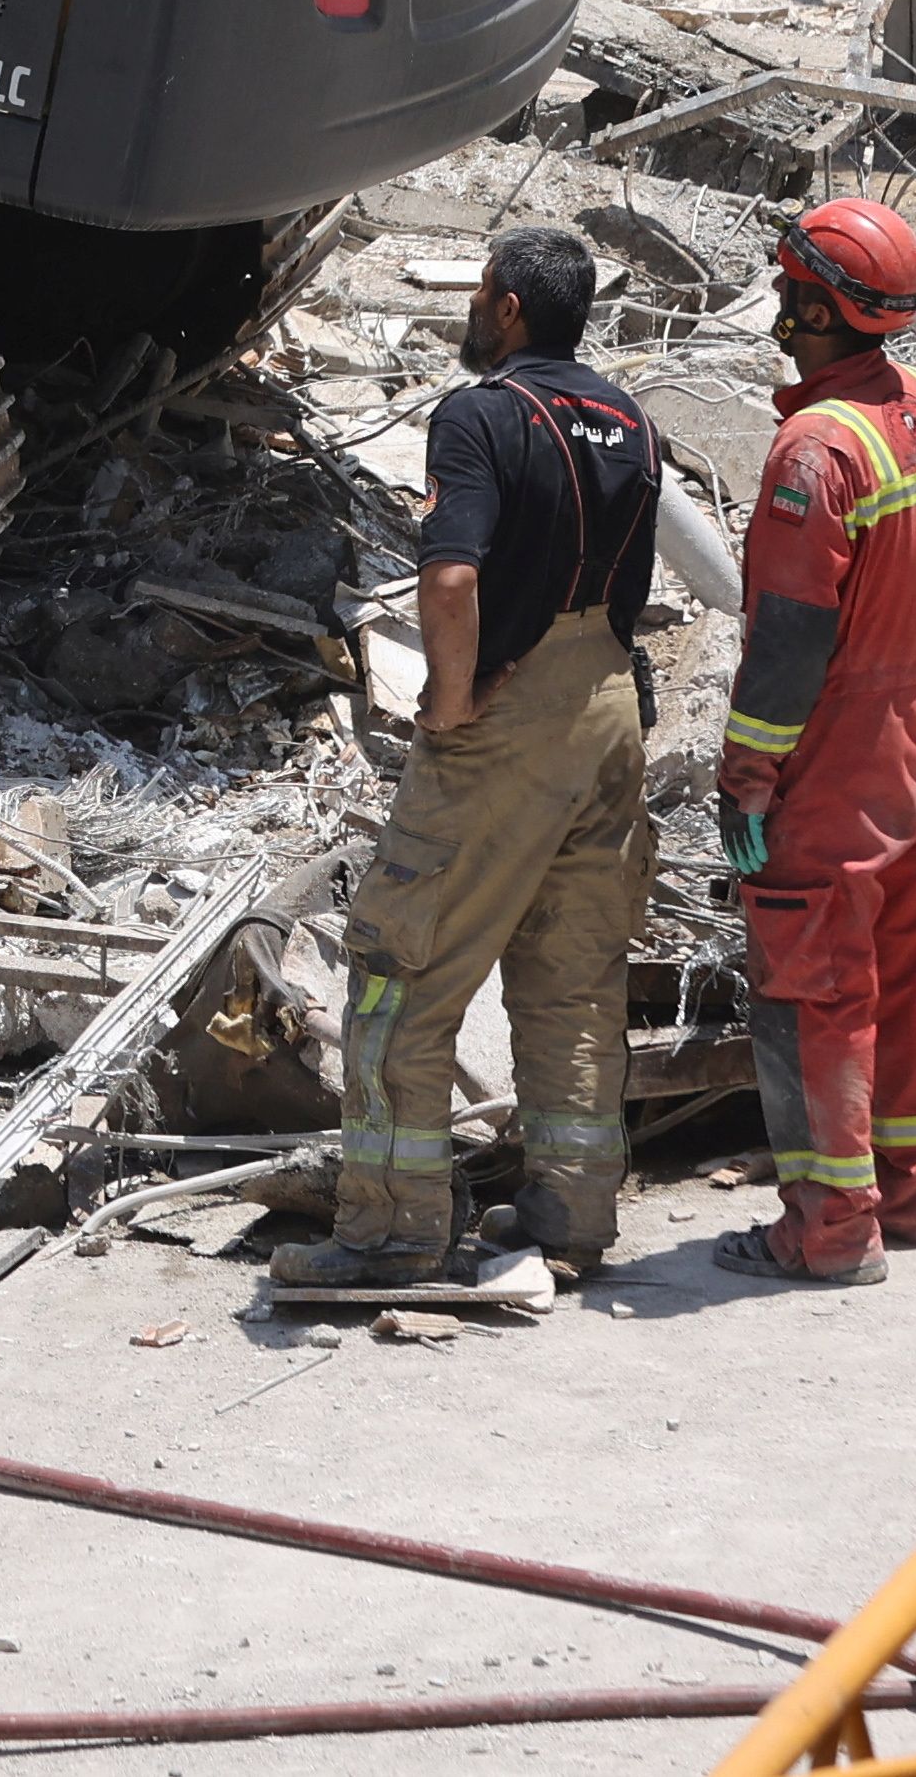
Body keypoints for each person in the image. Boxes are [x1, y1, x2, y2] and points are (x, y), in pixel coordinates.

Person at [272, 226, 666, 1295]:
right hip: (608, 703)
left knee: (400, 968)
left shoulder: (480, 413)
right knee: (573, 974)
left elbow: (449, 582)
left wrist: (447, 703)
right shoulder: (629, 418)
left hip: (514, 711)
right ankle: (569, 1212)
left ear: (500, 303)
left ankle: (390, 1229)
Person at [711, 198, 916, 1288]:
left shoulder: (814, 446)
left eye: (786, 280)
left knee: (815, 991)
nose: (776, 295)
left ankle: (830, 1232)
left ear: (811, 298)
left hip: (834, 757)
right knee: (912, 969)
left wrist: (746, 777)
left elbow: (790, 639)